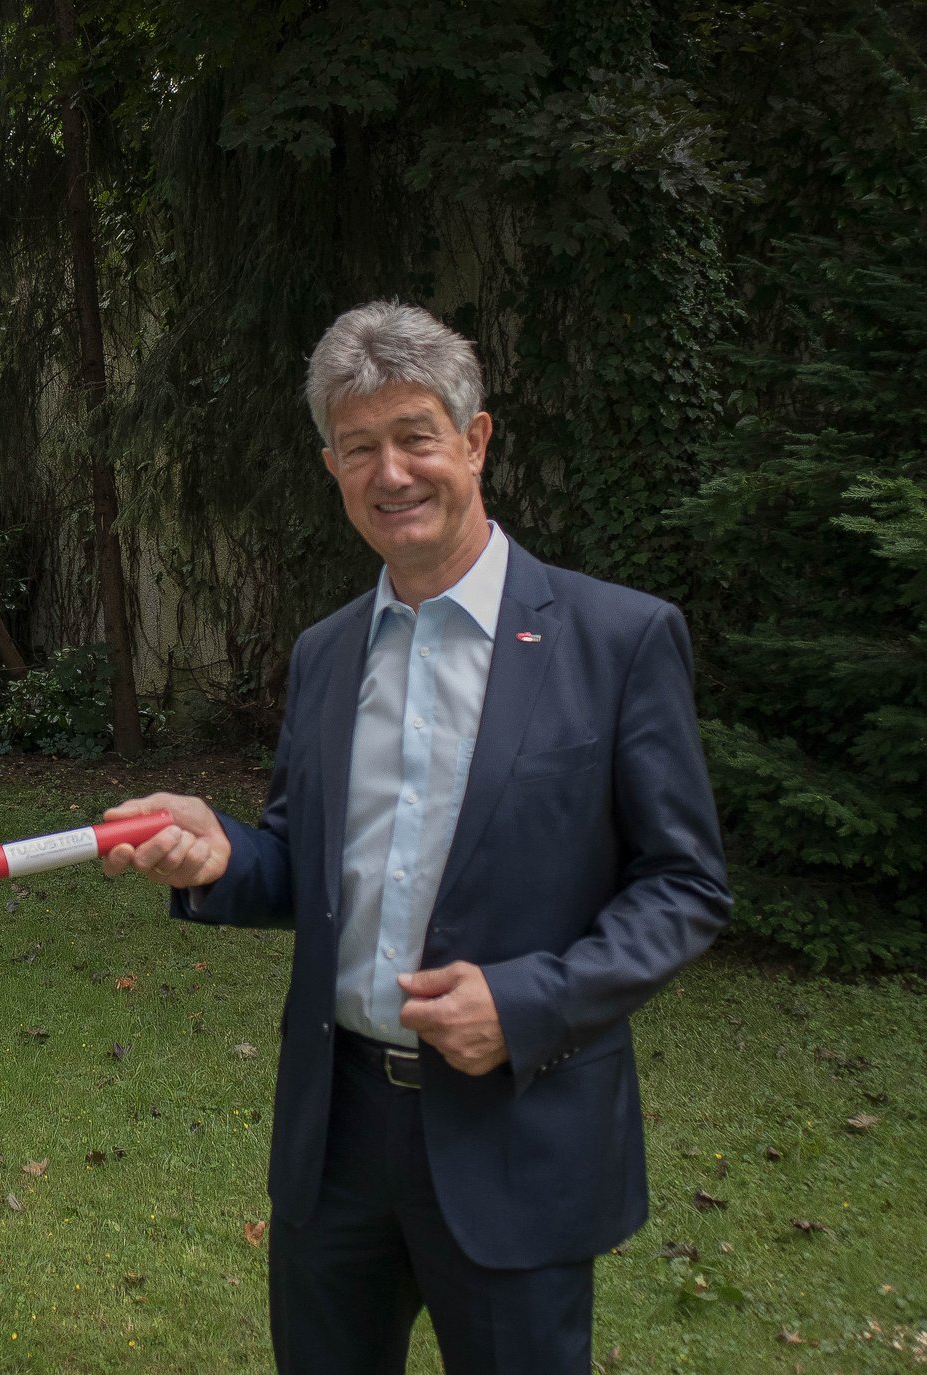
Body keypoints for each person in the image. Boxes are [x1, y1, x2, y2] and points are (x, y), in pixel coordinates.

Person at [104, 301, 731, 1374]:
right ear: (331, 465)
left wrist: (531, 1002)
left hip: (516, 1133)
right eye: (359, 449)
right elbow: (306, 862)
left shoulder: (619, 639)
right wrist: (222, 855)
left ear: (475, 441)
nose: (390, 472)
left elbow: (683, 886)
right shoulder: (327, 652)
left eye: (415, 437)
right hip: (336, 1133)